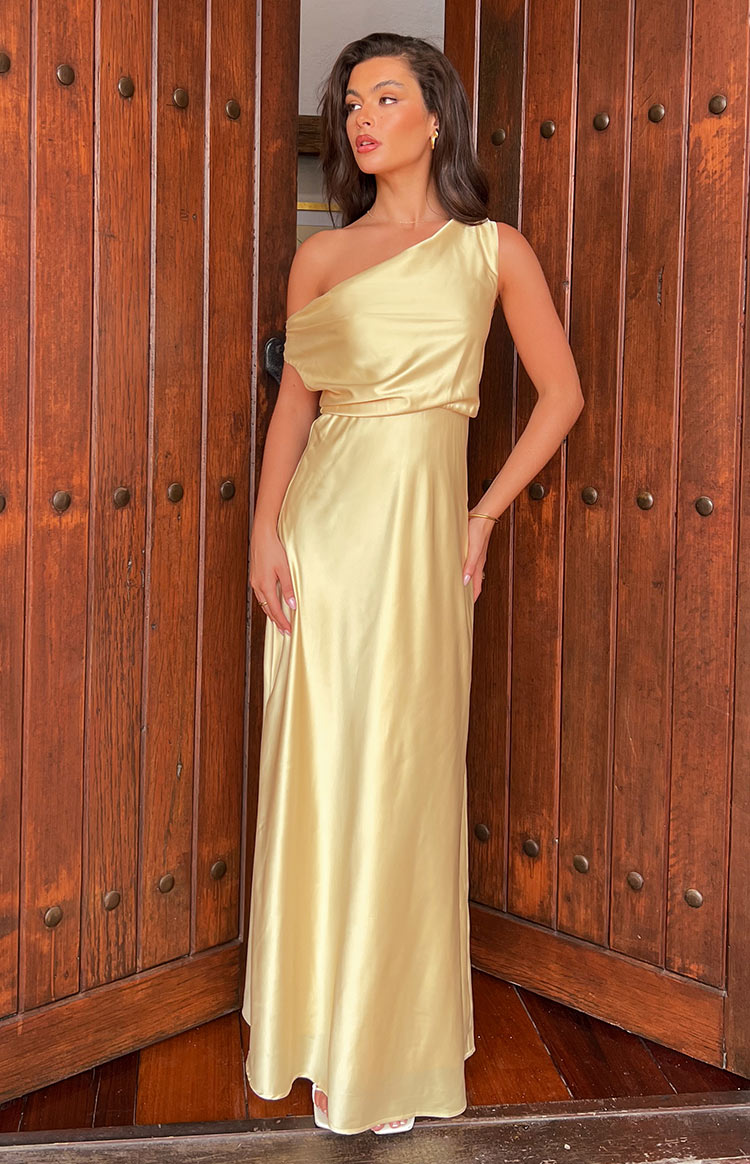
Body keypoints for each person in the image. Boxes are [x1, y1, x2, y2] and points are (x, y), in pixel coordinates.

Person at [242, 30, 584, 1138]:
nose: (361, 118)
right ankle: (312, 1026)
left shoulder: (492, 251)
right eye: (351, 103)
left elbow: (563, 396)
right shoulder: (323, 258)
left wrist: (480, 515)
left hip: (425, 543)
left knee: (404, 774)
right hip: (324, 540)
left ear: (438, 116)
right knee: (323, 772)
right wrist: (264, 531)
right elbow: (296, 407)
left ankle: (382, 1044)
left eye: (386, 97)